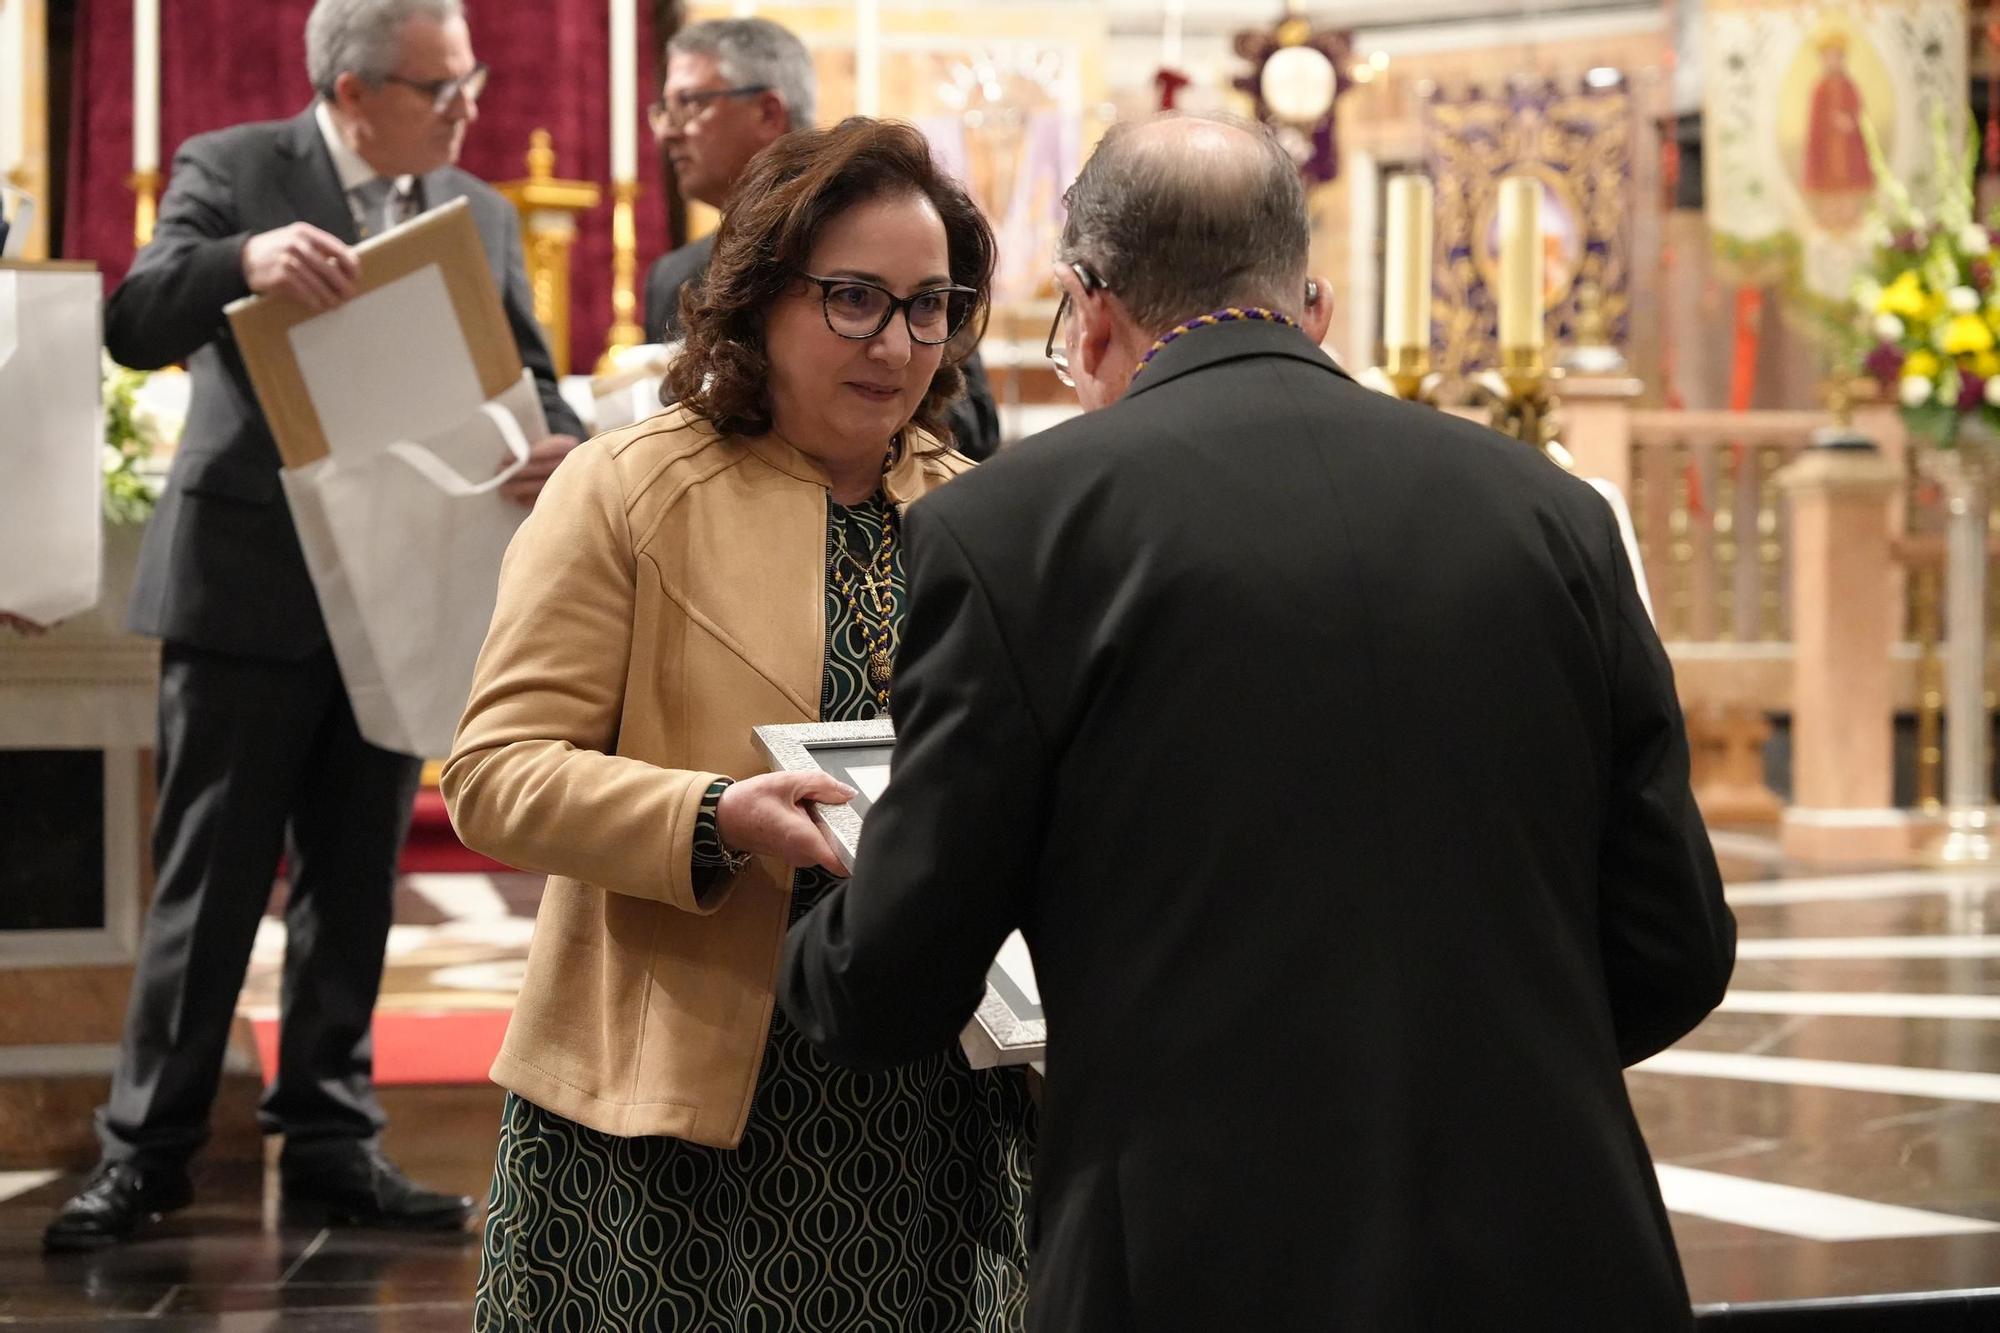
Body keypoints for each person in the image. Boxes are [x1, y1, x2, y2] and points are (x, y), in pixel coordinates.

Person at [779, 113, 1736, 1331]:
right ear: (1311, 301)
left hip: (1194, 1247)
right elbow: (1676, 940)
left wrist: (802, 934)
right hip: (1552, 1242)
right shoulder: (1551, 514)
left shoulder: (1014, 528)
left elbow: (901, 972)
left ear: (1090, 308)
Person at [444, 118, 1035, 1331]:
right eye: (855, 299)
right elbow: (494, 775)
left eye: (929, 306)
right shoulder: (628, 486)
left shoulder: (981, 511)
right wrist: (711, 816)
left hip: (917, 1088)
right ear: (760, 295)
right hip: (688, 1089)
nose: (896, 343)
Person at [43, 0, 584, 1253]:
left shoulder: (480, 210)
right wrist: (243, 263)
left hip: (404, 594)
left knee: (354, 883)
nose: (467, 110)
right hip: (251, 591)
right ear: (351, 89)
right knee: (210, 885)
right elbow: (133, 326)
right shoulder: (236, 170)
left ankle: (336, 1139)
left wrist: (554, 435)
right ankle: (148, 1154)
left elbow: (532, 369)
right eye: (439, 88)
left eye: (469, 82)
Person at [644, 16, 1003, 459]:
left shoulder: (909, 233)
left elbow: (970, 422)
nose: (668, 132)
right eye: (854, 297)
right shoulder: (673, 276)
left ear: (768, 112)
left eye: (691, 104)